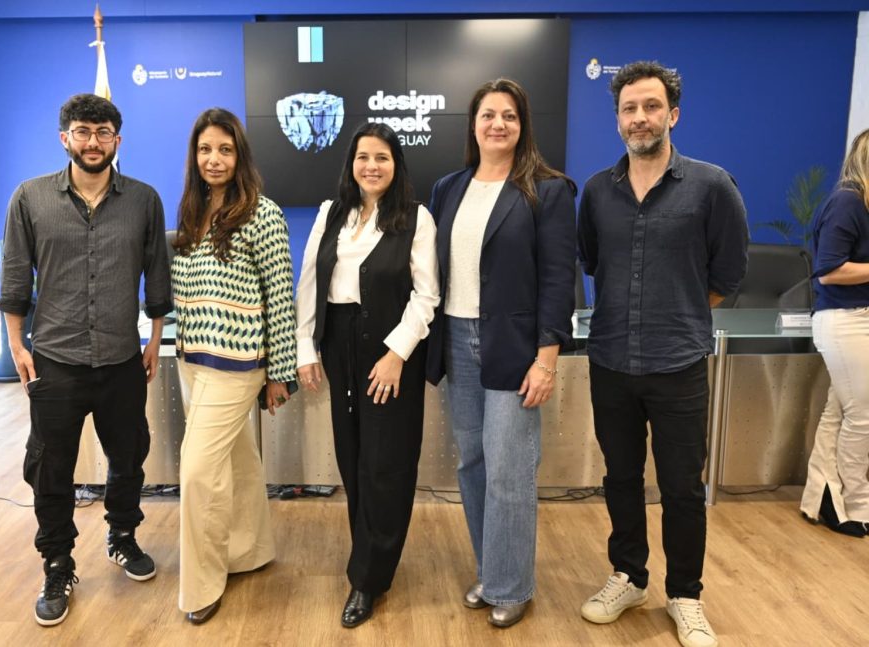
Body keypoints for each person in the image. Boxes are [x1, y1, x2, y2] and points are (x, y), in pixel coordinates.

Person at [577, 61, 748, 647]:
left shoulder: (712, 186)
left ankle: (685, 595)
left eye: (651, 106)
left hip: (679, 364)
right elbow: (593, 261)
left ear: (673, 114)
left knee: (681, 487)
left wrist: (678, 312)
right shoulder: (597, 192)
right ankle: (629, 577)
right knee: (621, 477)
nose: (640, 118)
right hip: (611, 362)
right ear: (618, 119)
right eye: (629, 108)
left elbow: (728, 274)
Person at [0, 93, 172, 626]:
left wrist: (154, 339)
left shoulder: (143, 200)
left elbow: (157, 275)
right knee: (49, 467)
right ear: (65, 138)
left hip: (122, 358)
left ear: (117, 140)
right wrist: (17, 345)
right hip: (55, 360)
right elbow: (15, 276)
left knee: (129, 456)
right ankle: (57, 563)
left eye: (103, 133)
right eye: (82, 131)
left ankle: (122, 535)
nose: (92, 142)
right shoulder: (30, 198)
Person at [426, 78, 577, 628]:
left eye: (509, 116)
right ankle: (492, 571)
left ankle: (512, 586)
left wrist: (546, 359)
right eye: (488, 114)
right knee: (473, 462)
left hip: (515, 347)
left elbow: (558, 280)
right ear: (473, 124)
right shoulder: (448, 188)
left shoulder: (548, 190)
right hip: (456, 339)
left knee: (511, 468)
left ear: (522, 125)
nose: (498, 124)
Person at [295, 122, 440, 628]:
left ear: (396, 164)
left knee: (386, 463)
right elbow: (309, 281)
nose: (371, 166)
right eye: (363, 157)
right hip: (339, 344)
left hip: (391, 348)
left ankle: (368, 578)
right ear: (351, 164)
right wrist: (305, 348)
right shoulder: (331, 213)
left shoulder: (416, 218)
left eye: (382, 157)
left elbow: (427, 295)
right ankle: (369, 554)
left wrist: (396, 353)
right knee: (353, 456)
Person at [171, 108, 297, 625]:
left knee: (198, 471)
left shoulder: (263, 214)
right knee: (237, 461)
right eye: (205, 149)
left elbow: (281, 298)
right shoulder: (191, 212)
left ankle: (201, 586)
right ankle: (250, 549)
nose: (214, 159)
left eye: (224, 149)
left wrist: (281, 373)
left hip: (238, 365)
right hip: (192, 359)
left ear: (239, 155)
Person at [800, 128, 869, 538]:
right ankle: (858, 504)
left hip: (858, 318)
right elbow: (829, 270)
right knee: (863, 416)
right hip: (846, 320)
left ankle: (822, 497)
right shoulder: (848, 201)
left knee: (840, 411)